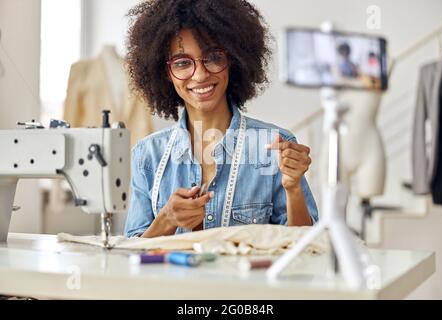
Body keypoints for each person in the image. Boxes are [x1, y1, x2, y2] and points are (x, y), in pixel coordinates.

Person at [124, 0, 318, 238]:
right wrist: (166, 220)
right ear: (165, 72)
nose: (201, 74)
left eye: (213, 57)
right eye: (183, 63)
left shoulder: (275, 146)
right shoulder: (148, 155)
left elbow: (306, 249)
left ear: (233, 59)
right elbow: (130, 259)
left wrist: (293, 189)